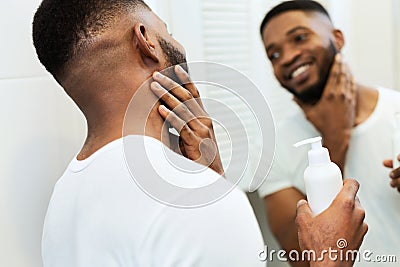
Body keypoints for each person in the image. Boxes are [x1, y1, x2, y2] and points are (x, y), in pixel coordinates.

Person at [32, 0, 367, 266]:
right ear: (146, 41)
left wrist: (213, 178)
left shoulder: (63, 199)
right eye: (168, 30)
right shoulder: (188, 194)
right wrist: (328, 260)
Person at [258, 1, 400, 266]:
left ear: (337, 38)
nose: (287, 57)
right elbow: (299, 257)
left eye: (299, 38)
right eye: (274, 55)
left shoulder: (397, 113)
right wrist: (334, 139)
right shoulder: (272, 146)